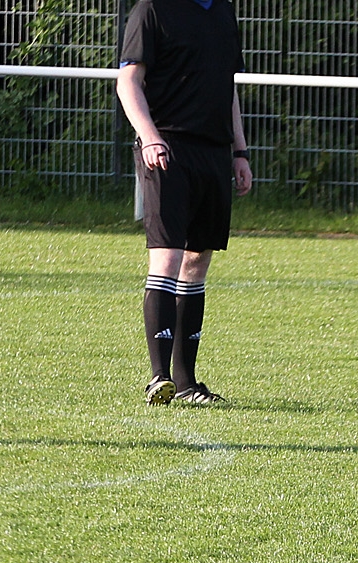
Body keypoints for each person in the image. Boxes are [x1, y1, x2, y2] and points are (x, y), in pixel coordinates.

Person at [115, 0, 251, 405]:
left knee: (197, 259)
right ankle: (159, 378)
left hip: (213, 151)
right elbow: (128, 82)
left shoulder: (222, 11)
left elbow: (227, 88)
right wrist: (149, 136)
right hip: (167, 146)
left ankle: (187, 383)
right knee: (168, 256)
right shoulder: (152, 9)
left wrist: (239, 152)